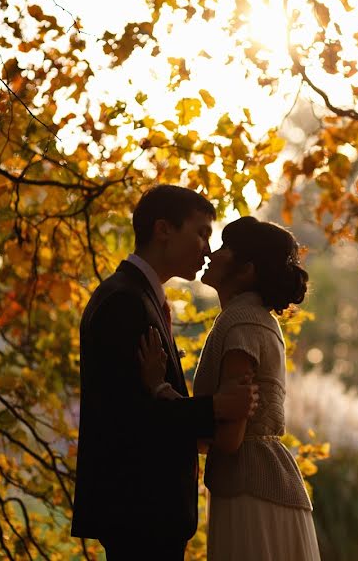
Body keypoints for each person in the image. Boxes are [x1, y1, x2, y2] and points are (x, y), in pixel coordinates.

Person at [71, 185, 259, 560]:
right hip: (140, 510)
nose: (207, 248)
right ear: (163, 230)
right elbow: (130, 415)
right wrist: (215, 407)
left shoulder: (139, 296)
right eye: (202, 232)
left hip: (149, 511)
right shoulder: (125, 301)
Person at [141, 216, 321, 560]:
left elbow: (228, 438)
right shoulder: (253, 319)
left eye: (224, 247)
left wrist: (159, 388)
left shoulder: (242, 322)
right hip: (261, 486)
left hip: (250, 493)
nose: (211, 253)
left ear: (246, 269)